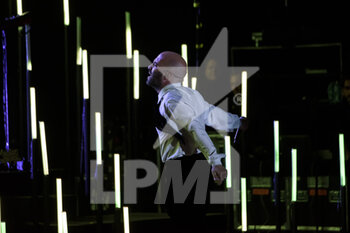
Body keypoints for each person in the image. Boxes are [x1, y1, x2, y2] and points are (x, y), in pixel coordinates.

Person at [146, 51, 247, 232]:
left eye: (154, 64)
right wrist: (237, 121)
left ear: (166, 75)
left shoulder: (171, 99)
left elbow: (194, 128)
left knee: (184, 222)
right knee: (195, 222)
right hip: (196, 166)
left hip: (182, 169)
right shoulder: (190, 94)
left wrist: (216, 162)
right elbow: (212, 115)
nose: (149, 67)